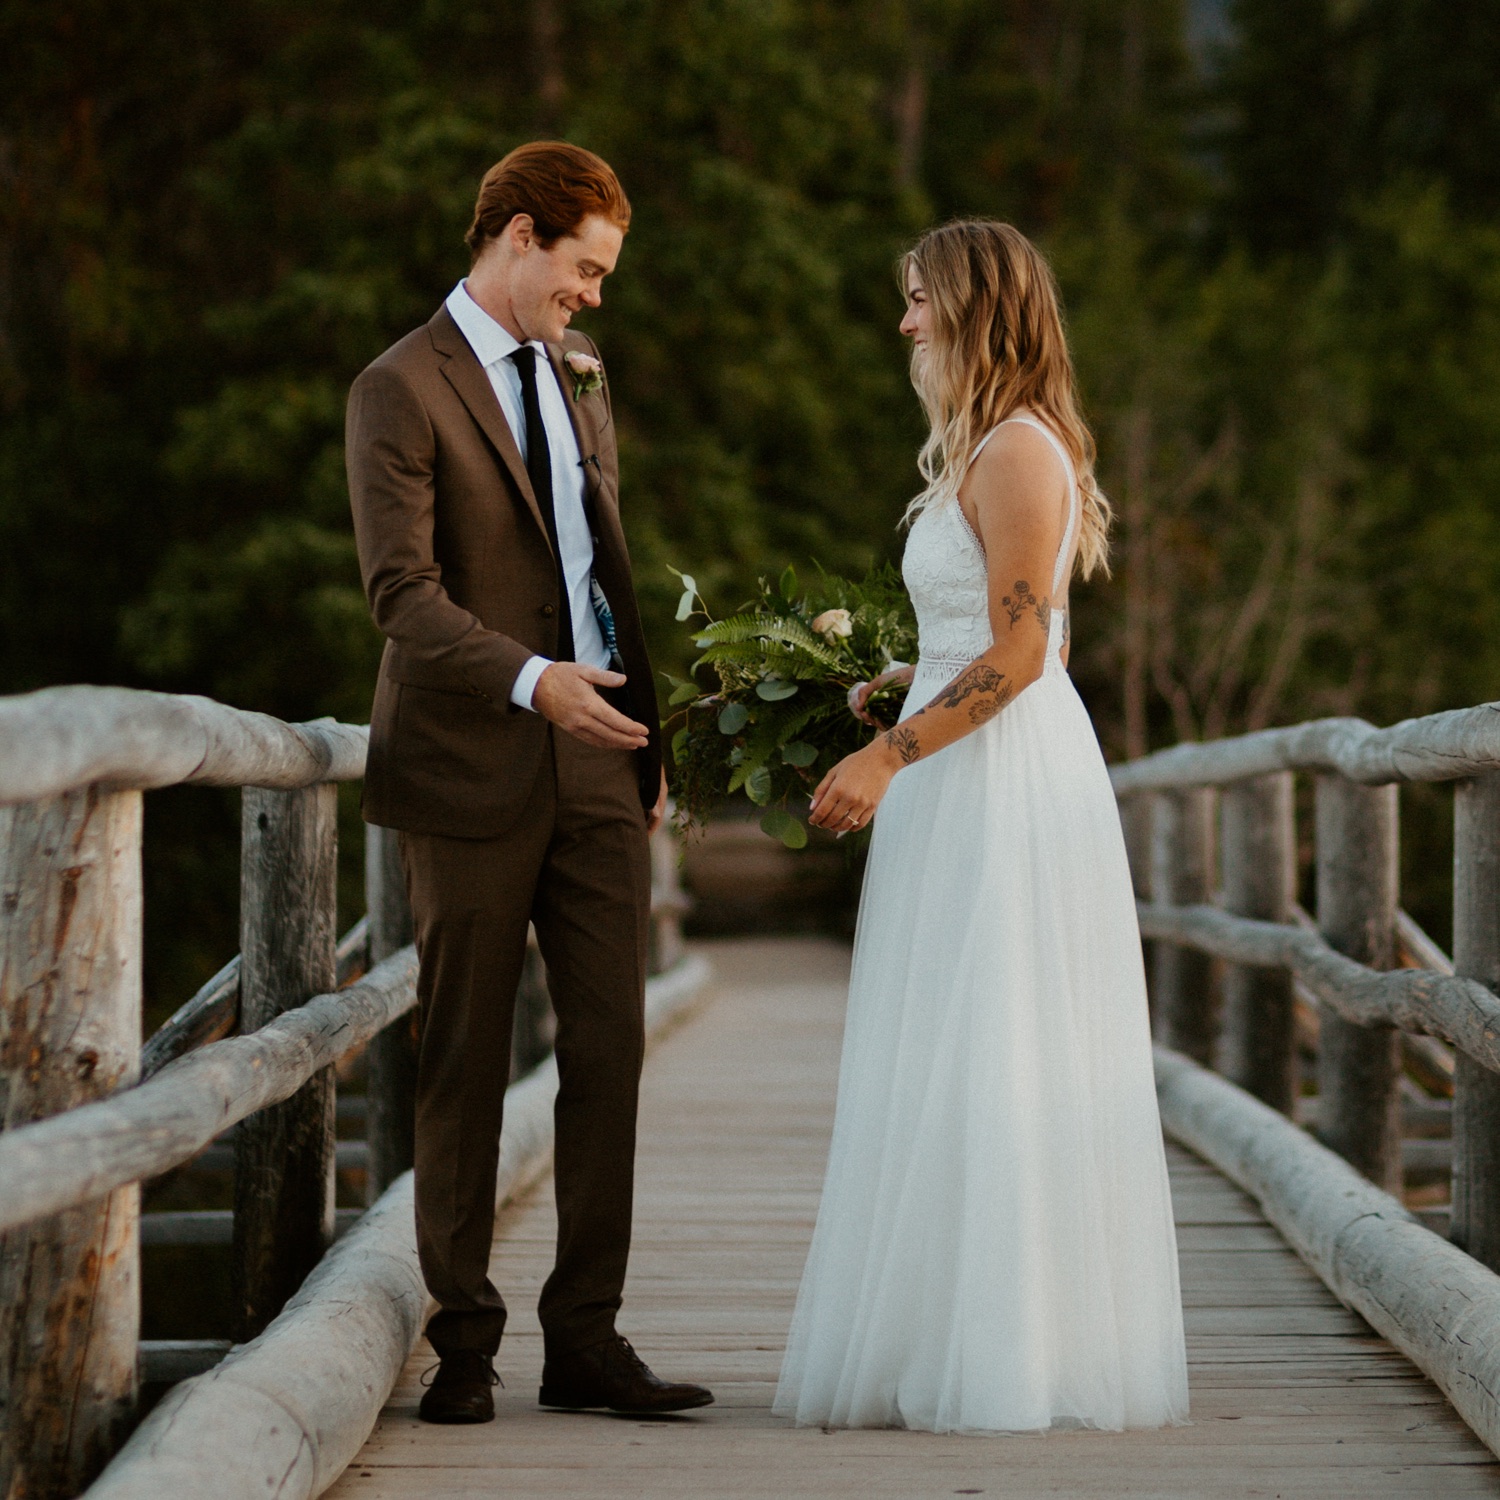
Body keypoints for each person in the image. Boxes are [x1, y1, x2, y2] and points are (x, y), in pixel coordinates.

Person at [772, 220, 1189, 1434]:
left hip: (996, 776)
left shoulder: (1017, 450)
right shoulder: (983, 448)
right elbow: (975, 642)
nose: (905, 325)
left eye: (919, 302)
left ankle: (1005, 1351)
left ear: (974, 307)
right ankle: (940, 1328)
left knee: (995, 1039)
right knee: (944, 1042)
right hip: (958, 764)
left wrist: (888, 749)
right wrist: (886, 688)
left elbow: (1023, 649)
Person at [346, 142, 712, 1424]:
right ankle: (462, 1344)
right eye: (586, 267)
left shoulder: (579, 372)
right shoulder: (397, 388)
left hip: (600, 761)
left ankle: (587, 1339)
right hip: (470, 763)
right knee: (463, 1055)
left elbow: (604, 560)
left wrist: (646, 735)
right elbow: (402, 600)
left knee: (610, 1048)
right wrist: (531, 680)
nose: (597, 296)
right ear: (515, 233)